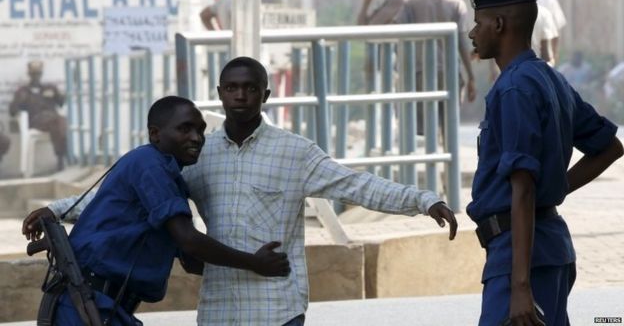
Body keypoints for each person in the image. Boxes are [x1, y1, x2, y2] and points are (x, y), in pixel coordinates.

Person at [46, 57, 458, 325]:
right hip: (220, 310)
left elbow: (358, 185)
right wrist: (56, 211)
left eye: (249, 87)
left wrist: (422, 201)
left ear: (266, 94)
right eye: (231, 87)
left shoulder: (295, 153)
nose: (240, 95)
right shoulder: (196, 156)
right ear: (221, 93)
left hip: (276, 308)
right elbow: (129, 200)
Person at [22, 96, 290, 326]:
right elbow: (189, 241)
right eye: (184, 129)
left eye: (200, 130)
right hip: (85, 304)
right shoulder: (150, 164)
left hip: (103, 306)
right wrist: (253, 262)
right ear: (155, 134)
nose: (196, 138)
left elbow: (191, 259)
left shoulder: (170, 180)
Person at [468, 0, 623, 326]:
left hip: (520, 257)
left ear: (499, 25)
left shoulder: (512, 89)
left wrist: (520, 286)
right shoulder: (548, 78)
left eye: (478, 23)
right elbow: (609, 146)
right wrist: (555, 187)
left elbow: (522, 188)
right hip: (550, 249)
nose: (471, 32)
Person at [393, 0, 476, 136]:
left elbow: (397, 35)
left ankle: (431, 158)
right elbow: (461, 43)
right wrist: (471, 76)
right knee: (448, 126)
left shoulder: (411, 5)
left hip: (420, 74)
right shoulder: (456, 4)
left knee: (424, 127)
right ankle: (448, 159)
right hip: (448, 73)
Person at [9, 61, 67, 170]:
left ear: (41, 74)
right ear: (29, 74)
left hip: (54, 120)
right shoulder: (23, 91)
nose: (36, 76)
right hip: (36, 121)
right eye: (33, 74)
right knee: (60, 122)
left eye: (38, 73)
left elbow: (62, 102)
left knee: (61, 121)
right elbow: (12, 111)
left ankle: (61, 158)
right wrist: (19, 101)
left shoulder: (49, 88)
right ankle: (62, 158)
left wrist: (60, 94)